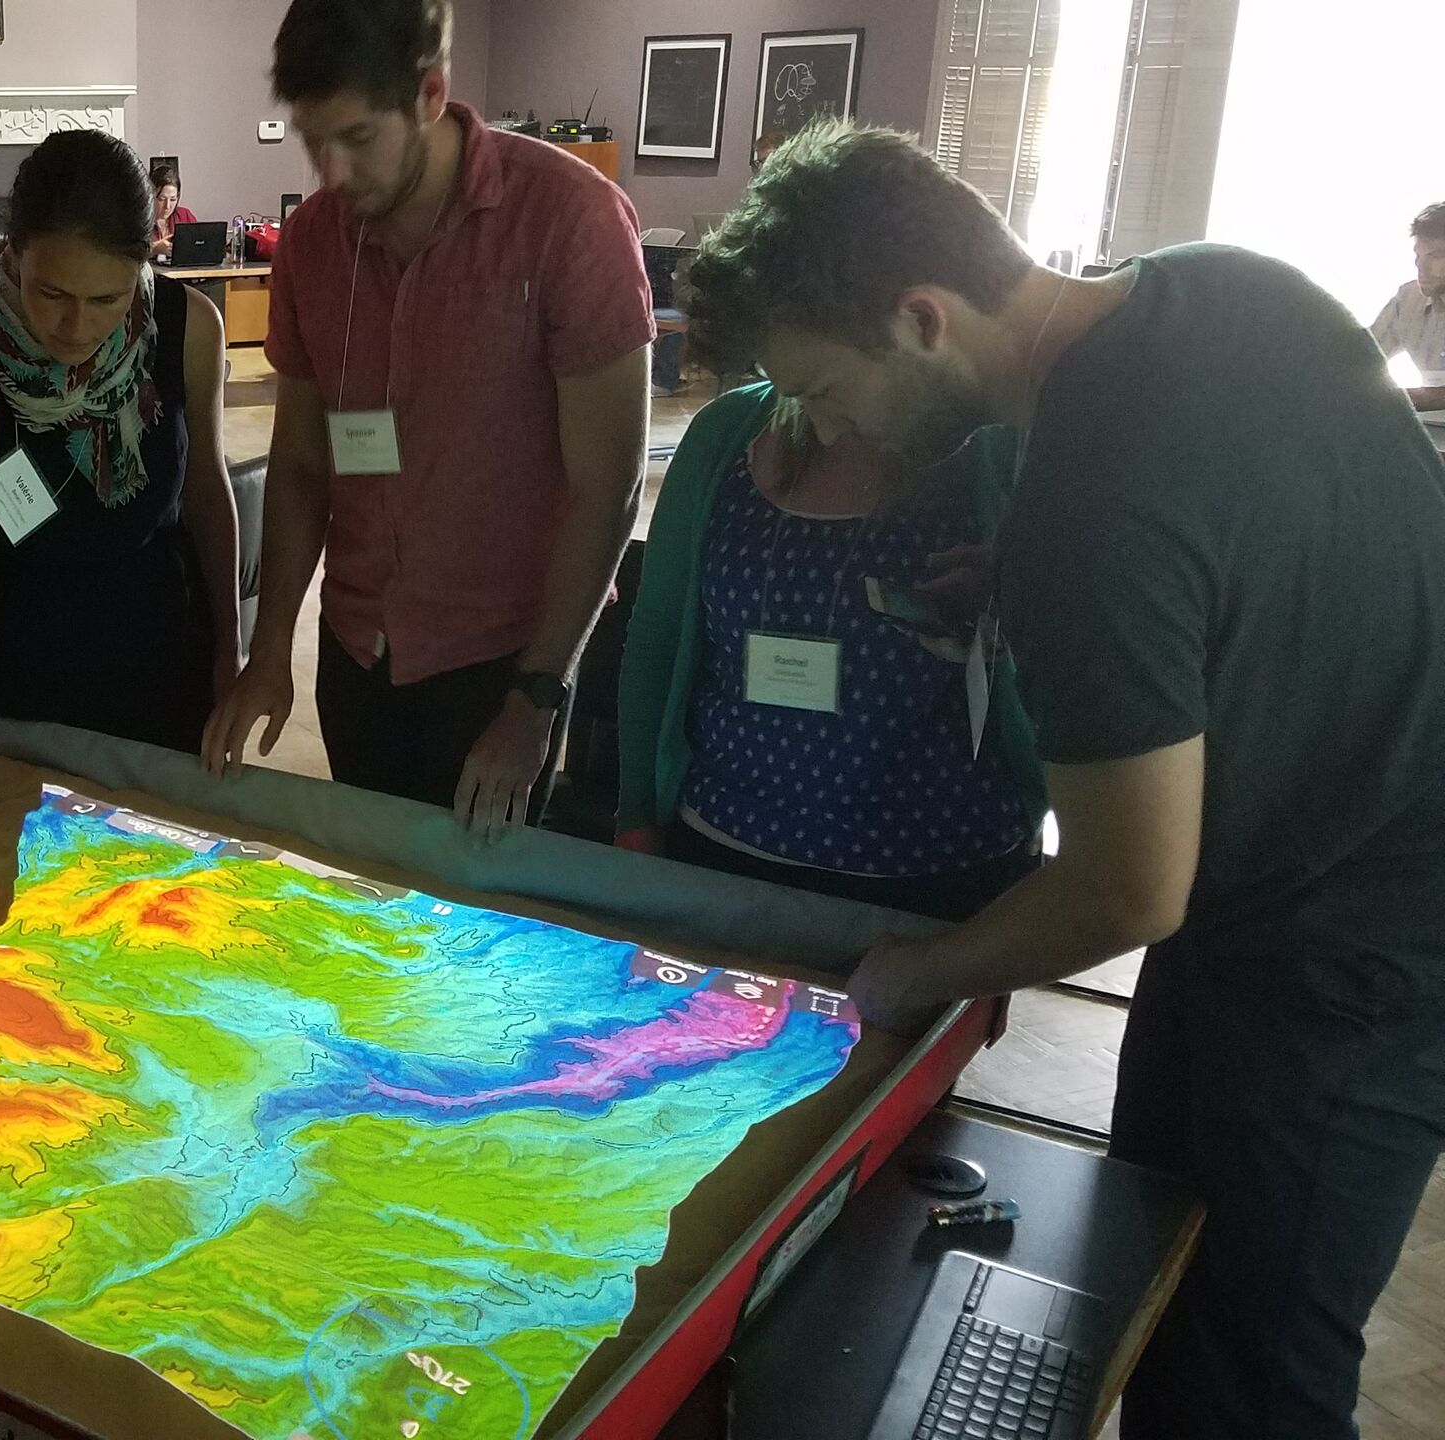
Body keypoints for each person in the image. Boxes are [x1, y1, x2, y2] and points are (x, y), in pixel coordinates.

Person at [681, 120, 1445, 1440]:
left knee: (1244, 1378)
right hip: (1308, 869)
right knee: (1152, 1257)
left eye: (826, 387)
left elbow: (1126, 888)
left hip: (1352, 961)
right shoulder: (1227, 281)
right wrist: (1037, 596)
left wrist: (918, 970)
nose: (826, 425)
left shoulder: (1084, 500)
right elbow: (1262, 551)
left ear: (923, 318)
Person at [205, 0, 655, 838]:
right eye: (312, 140)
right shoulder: (312, 242)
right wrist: (269, 652)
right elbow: (300, 465)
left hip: (502, 664)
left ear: (430, 93)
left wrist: (537, 696)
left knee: (478, 907)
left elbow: (610, 489)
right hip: (357, 647)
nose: (332, 172)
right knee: (375, 881)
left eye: (356, 137)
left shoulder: (570, 220)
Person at [0, 130, 241, 929]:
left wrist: (231, 651)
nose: (77, 327)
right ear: (14, 253)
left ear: (146, 263)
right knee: (11, 939)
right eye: (51, 293)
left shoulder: (189, 328)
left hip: (163, 675)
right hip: (21, 697)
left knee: (154, 924)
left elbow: (207, 495)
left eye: (107, 299)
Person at [614, 385, 1044, 922]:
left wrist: (1013, 610)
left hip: (944, 871)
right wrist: (636, 813)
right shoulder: (727, 432)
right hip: (719, 848)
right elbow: (657, 638)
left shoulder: (1000, 447)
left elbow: (1076, 656)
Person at [1368, 201, 1445, 411]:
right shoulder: (1407, 301)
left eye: (1435, 256)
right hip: (1429, 426)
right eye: (1418, 255)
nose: (1420, 266)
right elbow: (1358, 359)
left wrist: (1393, 401)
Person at [150, 162, 197, 260]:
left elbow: (198, 244)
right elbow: (127, 255)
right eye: (161, 199)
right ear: (151, 196)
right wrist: (154, 248)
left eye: (173, 199)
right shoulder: (140, 220)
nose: (167, 206)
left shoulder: (185, 216)